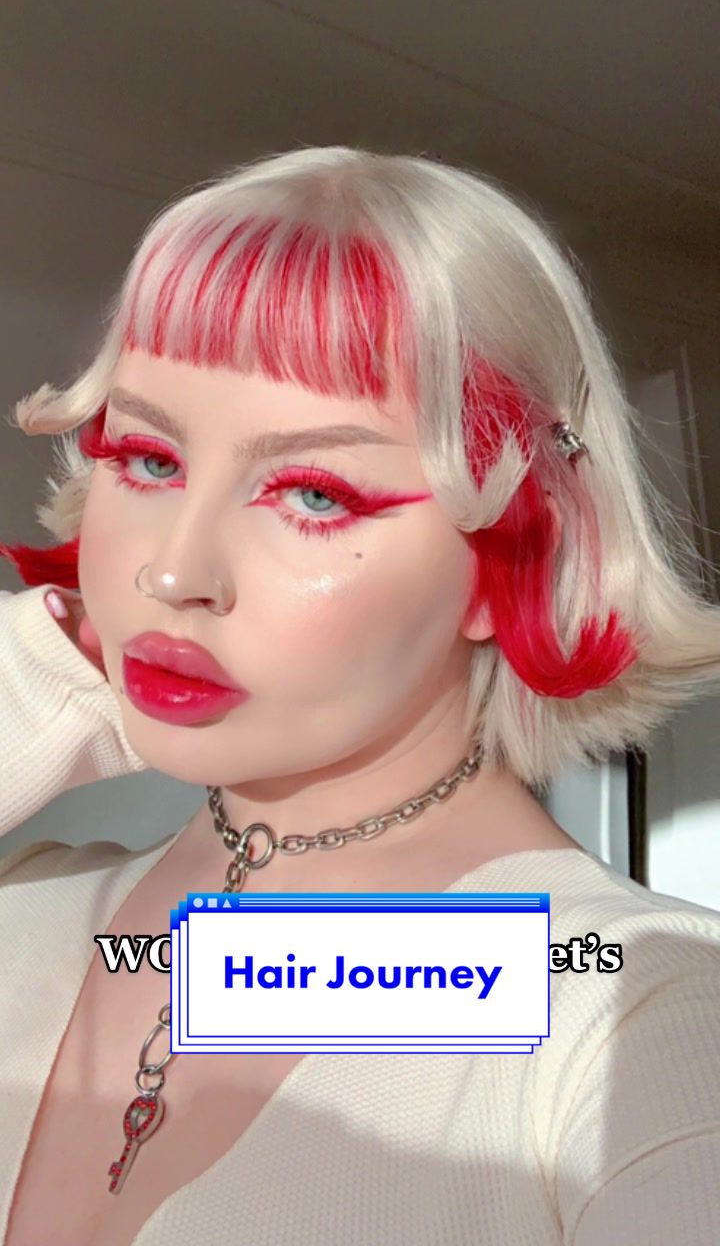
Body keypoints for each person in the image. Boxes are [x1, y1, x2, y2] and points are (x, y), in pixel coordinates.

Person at [0, 145, 718, 1246]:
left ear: (516, 547)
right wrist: (55, 669)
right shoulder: (29, 907)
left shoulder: (643, 1014)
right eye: (148, 460)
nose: (172, 574)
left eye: (316, 494)